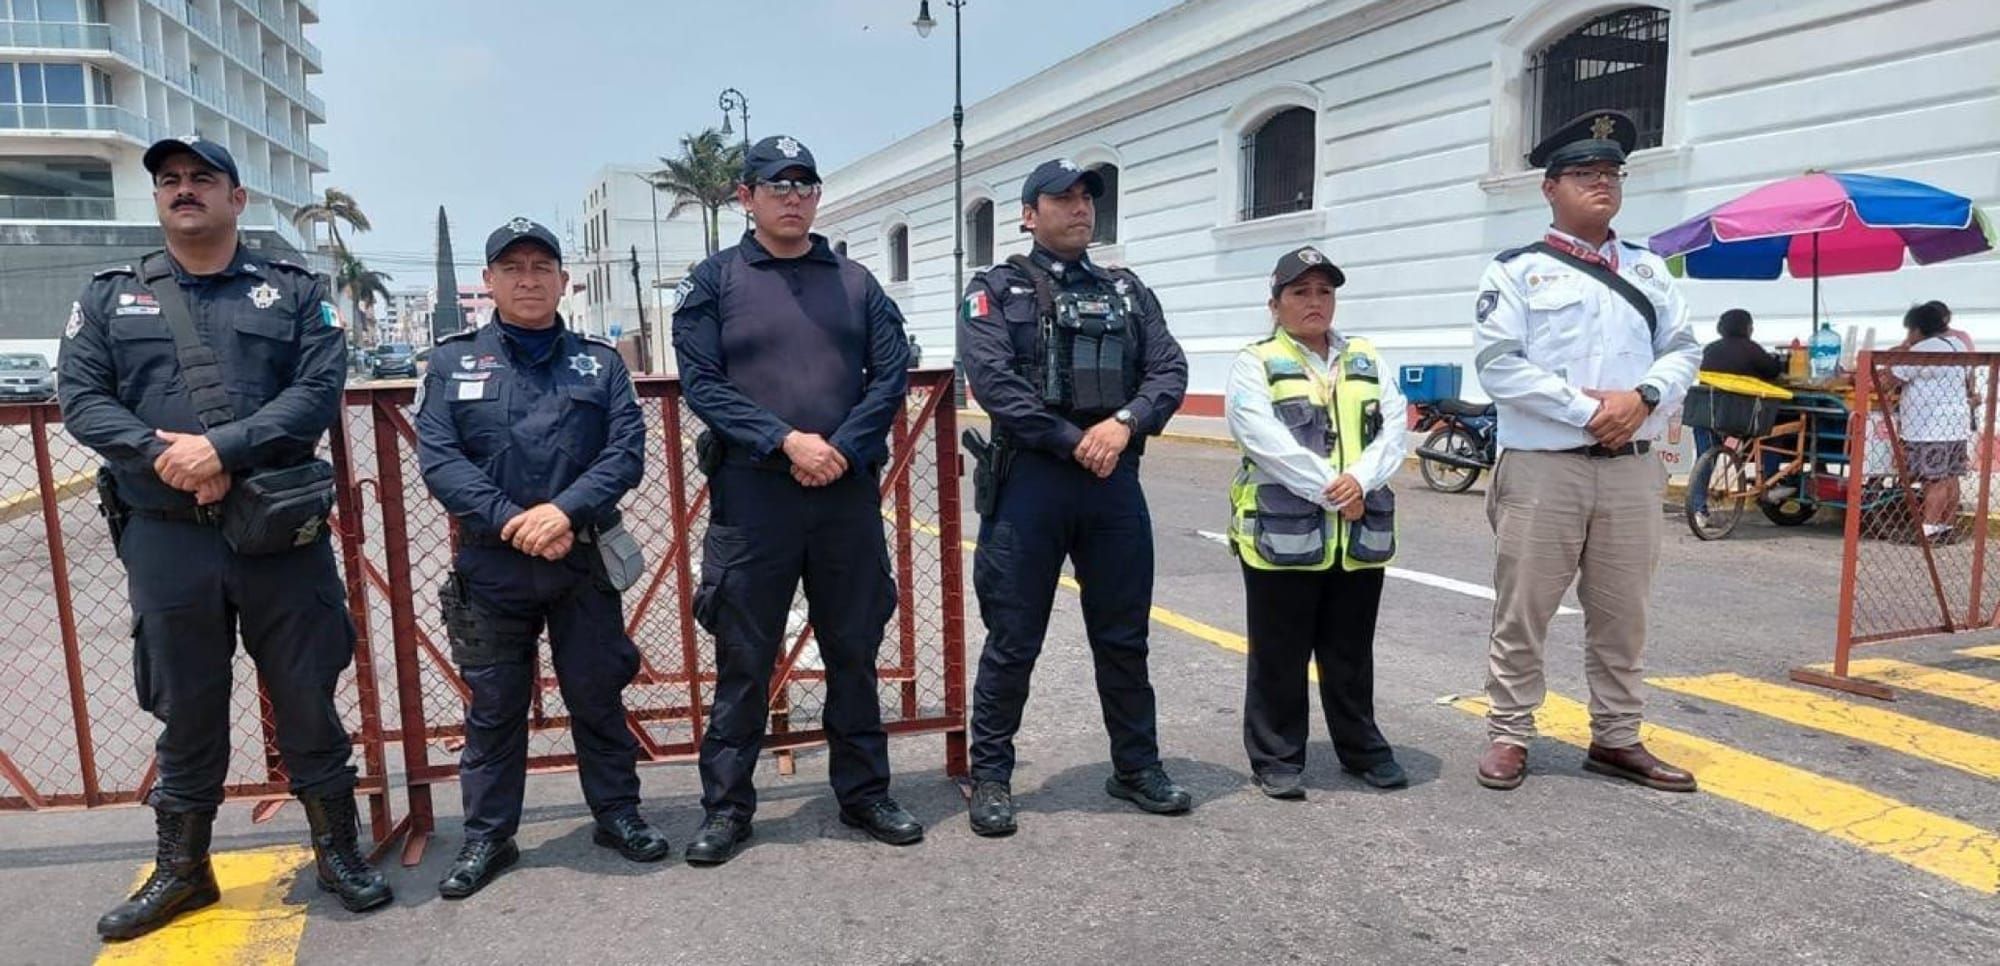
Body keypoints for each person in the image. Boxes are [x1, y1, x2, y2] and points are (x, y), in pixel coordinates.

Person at [58, 136, 391, 940]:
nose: (184, 189)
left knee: (307, 695)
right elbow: (82, 397)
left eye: (202, 178)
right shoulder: (110, 298)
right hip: (166, 534)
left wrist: (222, 451)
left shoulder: (293, 293)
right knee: (186, 705)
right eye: (170, 180)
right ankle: (183, 871)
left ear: (236, 199)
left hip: (277, 533)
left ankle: (338, 854)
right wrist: (165, 456)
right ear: (158, 199)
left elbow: (316, 392)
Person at [671, 135, 921, 865]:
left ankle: (865, 794)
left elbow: (890, 376)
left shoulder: (855, 281)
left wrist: (838, 447)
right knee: (744, 657)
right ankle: (726, 809)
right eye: (776, 186)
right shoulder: (714, 281)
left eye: (804, 185)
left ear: (817, 197)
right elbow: (702, 383)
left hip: (843, 493)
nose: (792, 197)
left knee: (853, 649)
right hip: (754, 498)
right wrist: (785, 442)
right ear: (745, 197)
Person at [415, 218, 668, 899]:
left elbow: (625, 452)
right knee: (494, 705)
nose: (527, 280)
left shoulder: (599, 363)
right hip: (493, 565)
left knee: (597, 692)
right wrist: (512, 520)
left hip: (581, 558)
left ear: (563, 280)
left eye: (540, 268)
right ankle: (487, 836)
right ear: (488, 281)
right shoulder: (451, 363)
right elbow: (440, 458)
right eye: (512, 268)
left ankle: (617, 814)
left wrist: (563, 513)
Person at [1469, 111, 1702, 793]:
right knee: (1524, 610)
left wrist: (1645, 398)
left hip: (1630, 471)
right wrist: (1592, 412)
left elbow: (1683, 349)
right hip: (1545, 469)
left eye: (1611, 173)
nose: (1602, 183)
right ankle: (1510, 732)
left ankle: (1617, 736)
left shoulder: (1650, 270)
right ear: (1551, 188)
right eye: (1584, 173)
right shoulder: (1517, 272)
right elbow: (1500, 365)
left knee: (1624, 614)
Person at [958, 157, 1191, 837]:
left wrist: (1124, 424)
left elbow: (1168, 369)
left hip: (1112, 481)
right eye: (1062, 198)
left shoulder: (1127, 290)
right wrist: (1072, 440)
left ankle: (1137, 767)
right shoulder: (995, 289)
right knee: (1013, 638)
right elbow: (993, 383)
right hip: (1031, 483)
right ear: (1029, 215)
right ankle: (991, 775)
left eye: (1087, 196)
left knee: (1123, 637)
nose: (1080, 207)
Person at [1224, 246, 1408, 800]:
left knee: (1350, 651)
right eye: (1300, 292)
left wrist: (1361, 481)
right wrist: (1334, 491)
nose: (1315, 302)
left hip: (1357, 533)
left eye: (1324, 291)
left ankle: (1362, 748)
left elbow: (1393, 428)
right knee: (1279, 653)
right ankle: (1277, 757)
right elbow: (1262, 438)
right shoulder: (1255, 362)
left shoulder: (1366, 357)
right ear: (1275, 304)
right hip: (1283, 534)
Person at [1882, 302, 1971, 543]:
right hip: (1956, 422)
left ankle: (1928, 530)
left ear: (1918, 329)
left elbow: (1890, 379)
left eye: (1910, 330)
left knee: (1934, 479)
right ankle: (1947, 526)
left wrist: (1898, 353)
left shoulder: (1922, 350)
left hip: (1930, 426)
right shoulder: (1958, 344)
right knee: (1951, 476)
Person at [1688, 309, 1785, 523]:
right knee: (1773, 435)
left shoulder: (1710, 349)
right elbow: (1773, 370)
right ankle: (1769, 483)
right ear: (1747, 328)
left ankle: (1698, 510)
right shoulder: (1751, 349)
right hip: (1738, 419)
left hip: (1707, 414)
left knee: (1704, 459)